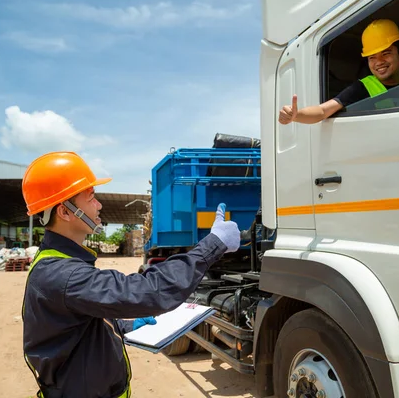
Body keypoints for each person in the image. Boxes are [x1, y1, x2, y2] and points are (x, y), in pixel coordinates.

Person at [21, 151, 241, 398]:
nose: (99, 205)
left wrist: (121, 324)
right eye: (91, 197)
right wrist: (213, 244)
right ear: (64, 212)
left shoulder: (58, 263)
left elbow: (75, 322)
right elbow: (148, 291)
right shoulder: (63, 274)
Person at [279, 19, 399, 125]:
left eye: (386, 53)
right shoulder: (362, 88)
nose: (379, 62)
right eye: (372, 57)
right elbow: (323, 111)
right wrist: (296, 115)